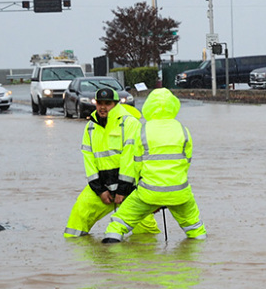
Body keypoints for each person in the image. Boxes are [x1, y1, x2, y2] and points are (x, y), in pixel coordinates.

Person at [102, 88, 206, 243]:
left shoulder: (143, 130)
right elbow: (187, 161)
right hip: (180, 191)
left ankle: (111, 254)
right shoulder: (183, 130)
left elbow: (136, 164)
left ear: (149, 106)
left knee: (118, 223)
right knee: (195, 227)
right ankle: (199, 254)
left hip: (148, 191)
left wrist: (142, 186)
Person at [63, 88, 159, 239]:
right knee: (77, 220)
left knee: (146, 234)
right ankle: (77, 256)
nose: (102, 107)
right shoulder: (90, 127)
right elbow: (88, 161)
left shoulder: (130, 123)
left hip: (130, 189)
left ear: (116, 104)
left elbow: (130, 159)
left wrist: (122, 189)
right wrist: (100, 190)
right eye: (99, 103)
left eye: (107, 103)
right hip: (103, 187)